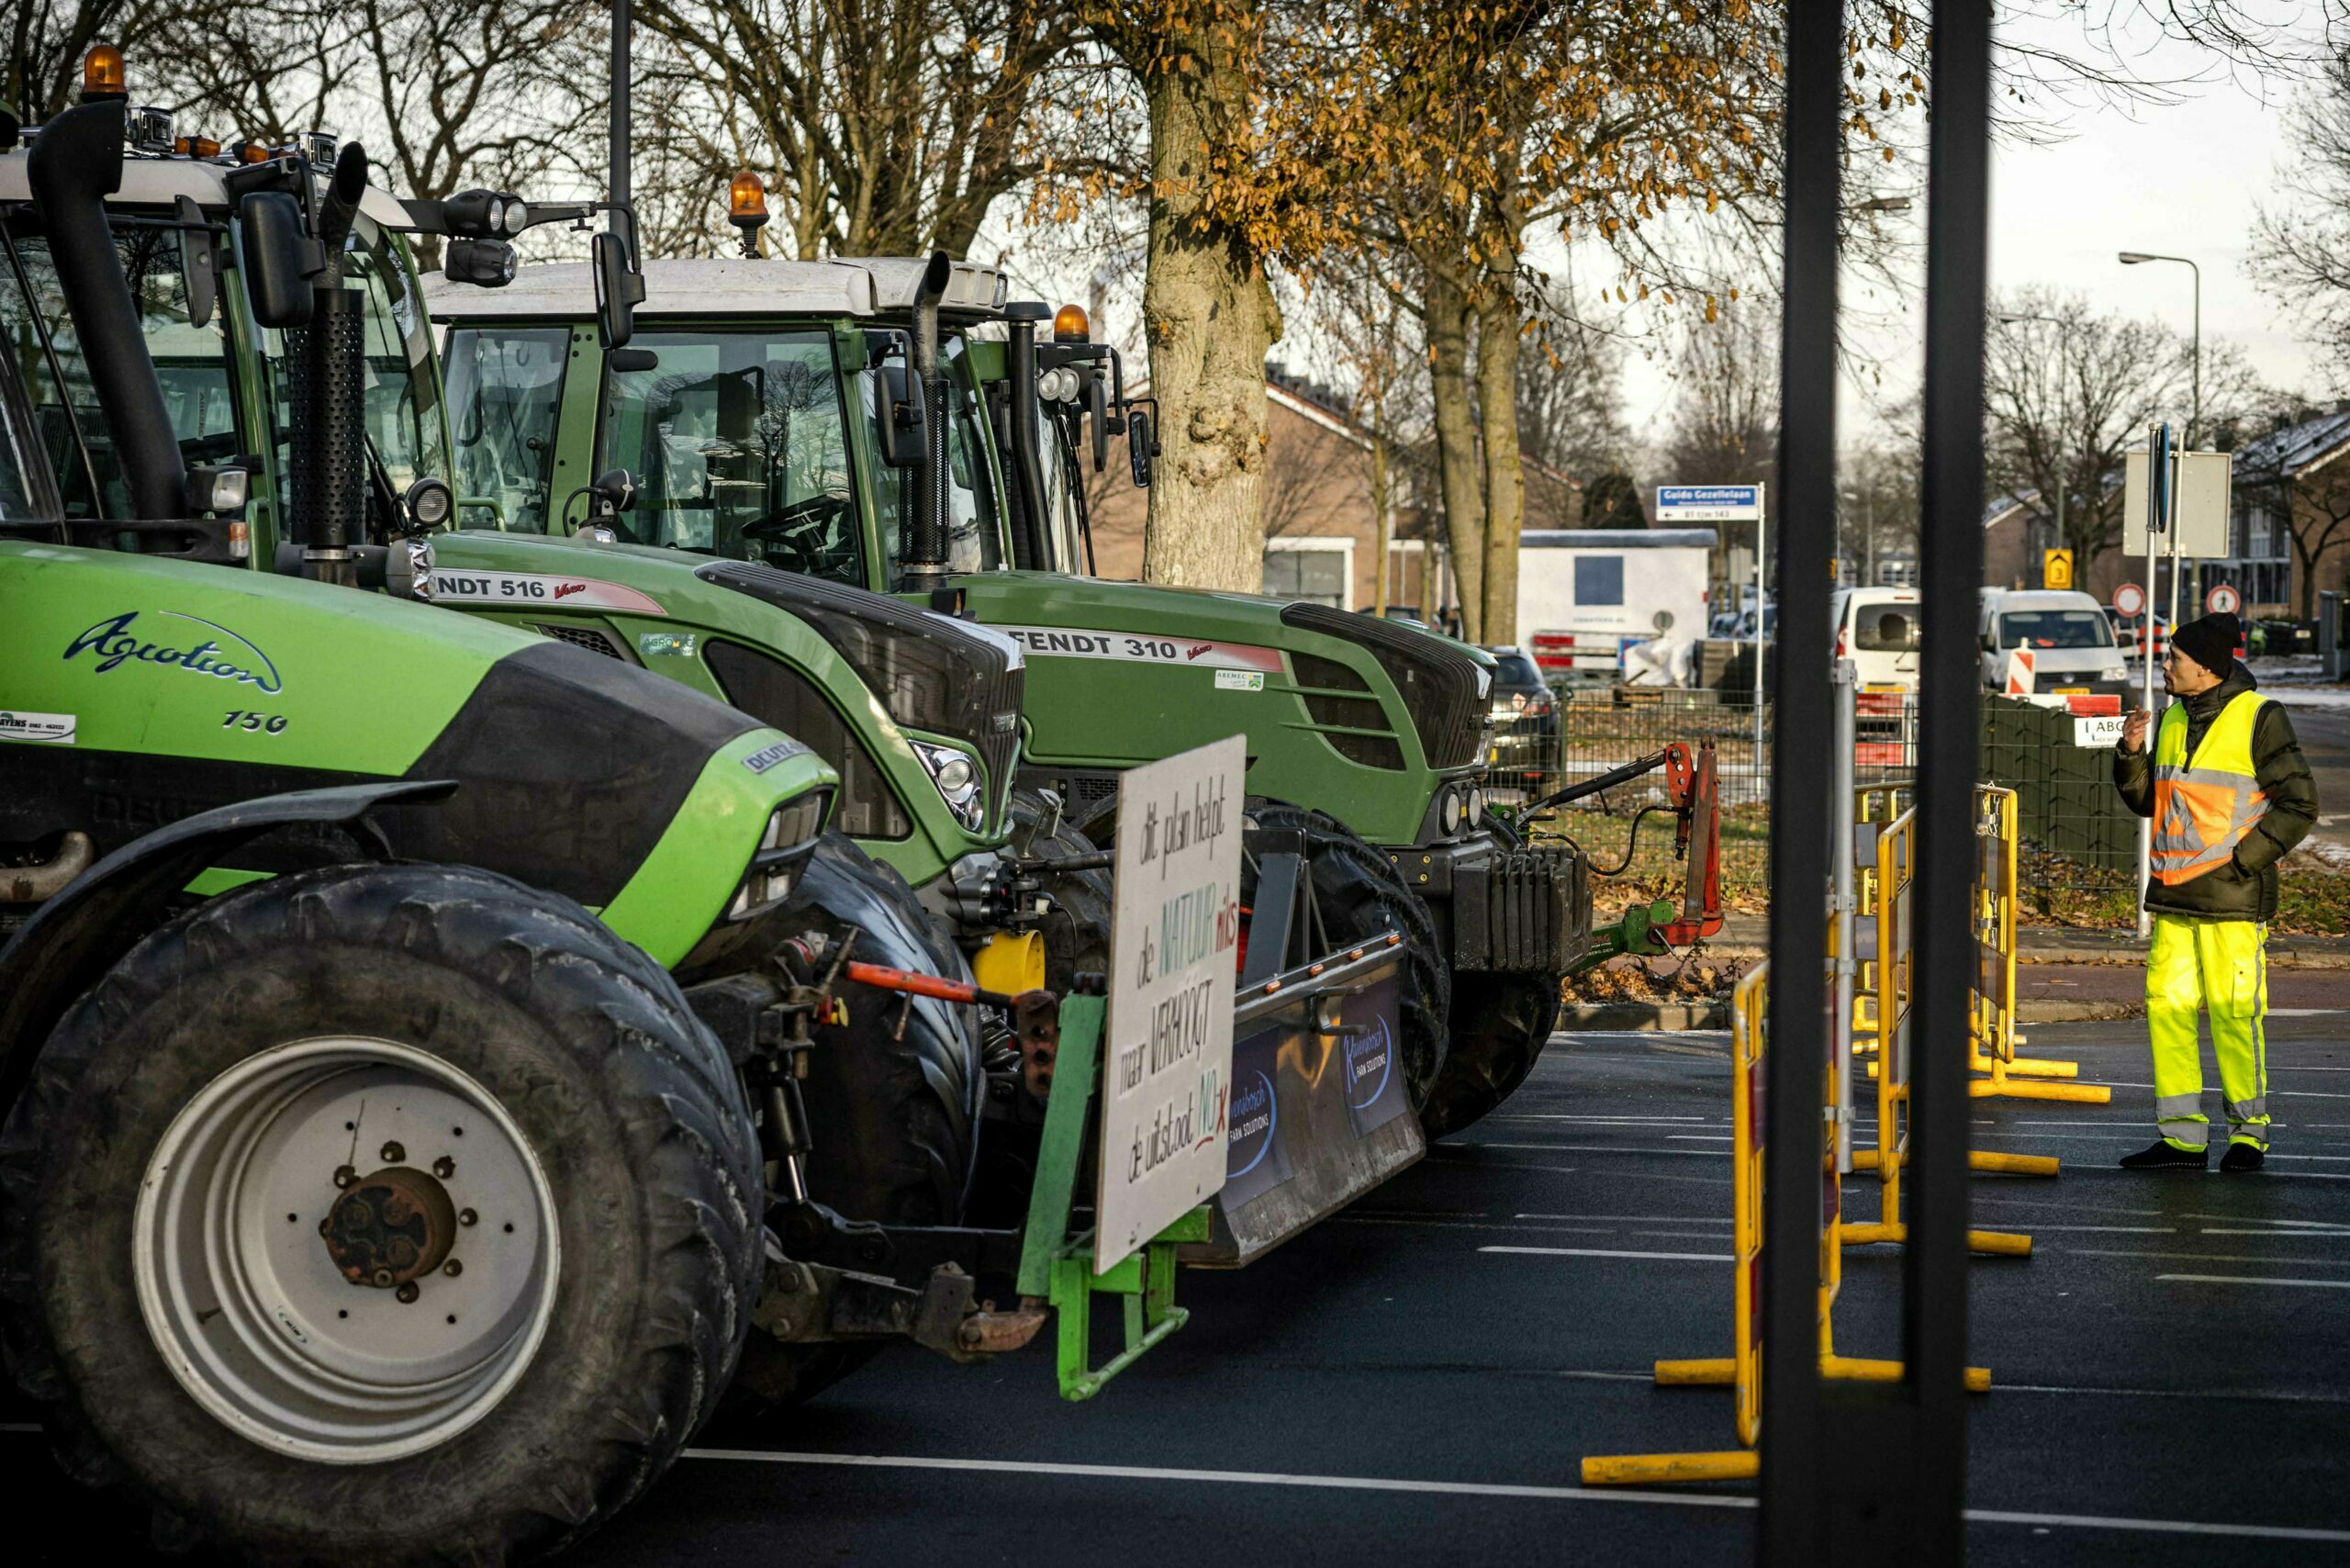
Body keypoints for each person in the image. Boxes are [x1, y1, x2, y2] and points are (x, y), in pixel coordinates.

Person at [2113, 611, 2316, 1172]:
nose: (2164, 667)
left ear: (2205, 668)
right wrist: (2131, 752)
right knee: (2168, 1012)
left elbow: (2299, 803)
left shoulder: (2259, 717)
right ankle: (2182, 1139)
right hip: (2175, 897)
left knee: (2234, 1015)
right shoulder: (2174, 716)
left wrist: (2241, 862)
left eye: (2174, 659)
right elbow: (2151, 802)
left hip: (2231, 897)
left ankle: (2248, 1135)